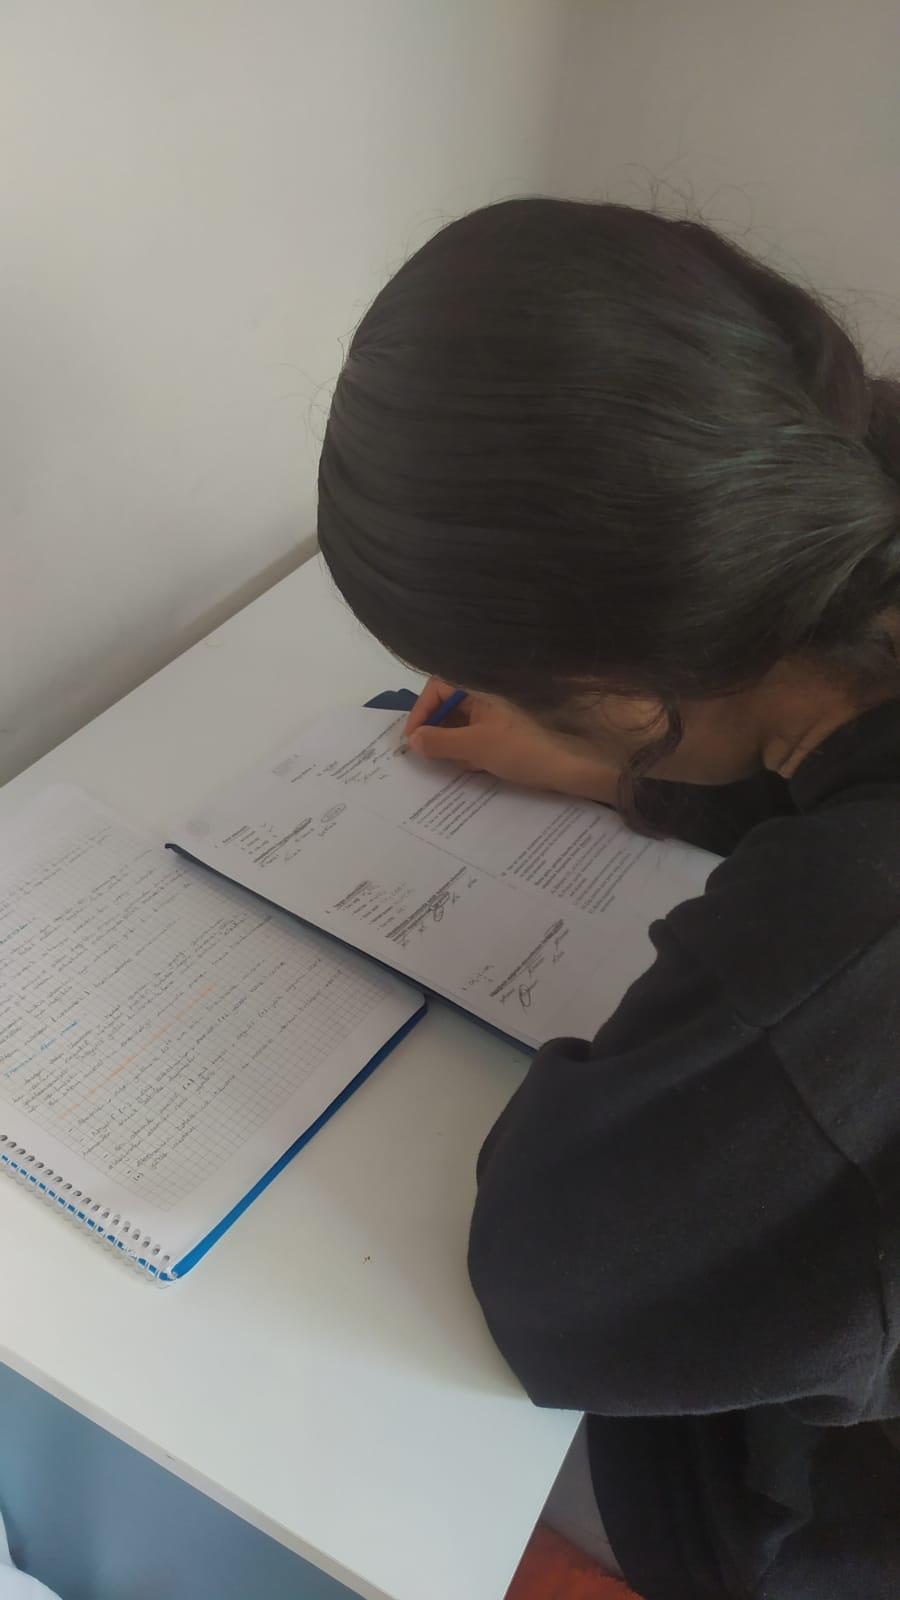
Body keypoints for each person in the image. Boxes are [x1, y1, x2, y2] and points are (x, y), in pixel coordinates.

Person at [316, 198, 900, 1600]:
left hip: (843, 1503)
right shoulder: (858, 492)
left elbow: (556, 1285)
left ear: (626, 687)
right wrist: (619, 773)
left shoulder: (841, 941)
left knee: (383, 1456)